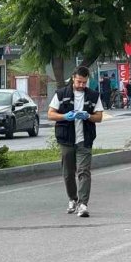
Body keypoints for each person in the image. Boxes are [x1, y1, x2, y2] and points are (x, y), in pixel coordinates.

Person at [48, 66, 104, 218]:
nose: (81, 85)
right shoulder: (61, 94)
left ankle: (83, 204)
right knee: (68, 173)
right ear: (73, 78)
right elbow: (51, 114)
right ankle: (72, 199)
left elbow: (99, 116)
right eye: (79, 81)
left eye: (84, 82)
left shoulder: (93, 95)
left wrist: (88, 116)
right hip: (66, 139)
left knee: (84, 171)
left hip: (84, 139)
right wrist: (65, 116)